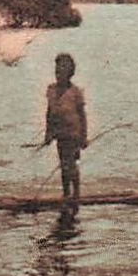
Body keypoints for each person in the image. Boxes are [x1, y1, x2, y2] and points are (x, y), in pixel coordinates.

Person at [43, 52, 88, 199]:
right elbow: (49, 114)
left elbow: (82, 115)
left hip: (73, 135)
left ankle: (75, 193)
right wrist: (48, 134)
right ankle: (66, 193)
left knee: (71, 165)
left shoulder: (75, 92)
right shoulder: (52, 91)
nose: (58, 74)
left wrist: (83, 137)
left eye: (61, 71)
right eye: (56, 71)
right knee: (63, 165)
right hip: (60, 134)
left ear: (69, 73)